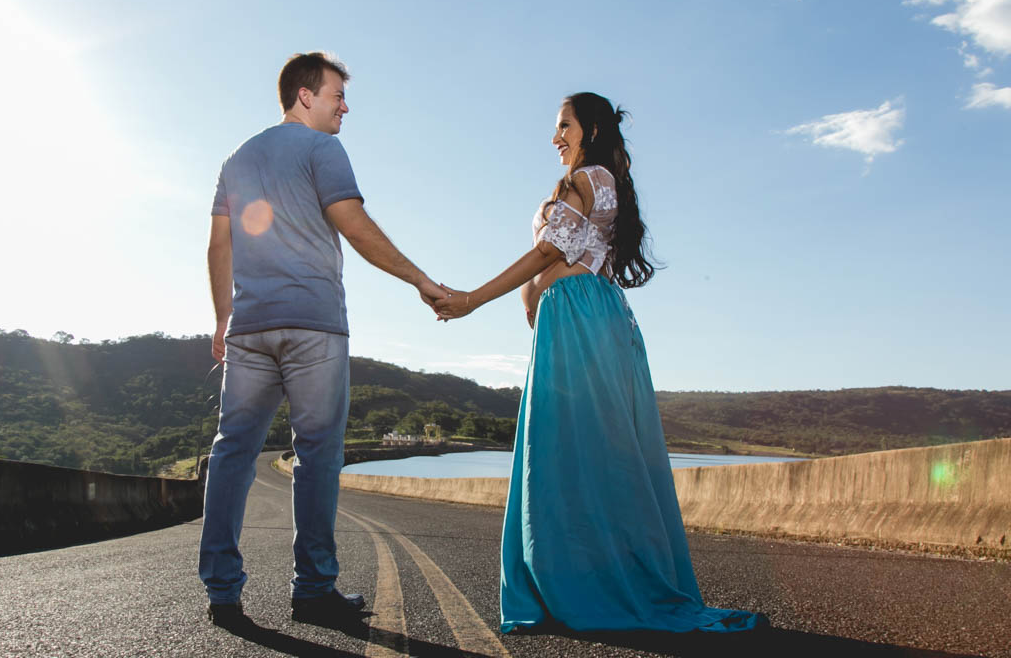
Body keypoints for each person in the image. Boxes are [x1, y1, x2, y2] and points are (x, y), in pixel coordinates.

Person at [433, 92, 762, 634]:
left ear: (590, 128)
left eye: (565, 125)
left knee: (590, 454)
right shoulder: (587, 182)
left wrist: (471, 299)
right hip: (569, 323)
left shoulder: (591, 179)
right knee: (565, 453)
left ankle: (597, 586)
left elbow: (547, 254)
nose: (556, 137)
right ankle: (568, 581)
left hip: (582, 320)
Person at [200, 52, 445, 631]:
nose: (345, 106)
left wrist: (221, 319)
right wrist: (421, 280)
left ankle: (222, 590)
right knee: (316, 458)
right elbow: (354, 225)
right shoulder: (322, 149)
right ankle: (312, 590)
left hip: (250, 330)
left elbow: (218, 246)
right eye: (338, 95)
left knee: (232, 451)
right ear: (306, 96)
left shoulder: (235, 158)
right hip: (313, 325)